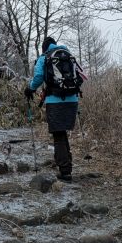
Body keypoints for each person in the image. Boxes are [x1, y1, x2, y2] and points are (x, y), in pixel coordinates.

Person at [24, 36, 80, 182]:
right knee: (62, 133)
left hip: (55, 101)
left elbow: (38, 77)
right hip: (72, 100)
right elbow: (79, 76)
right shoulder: (68, 55)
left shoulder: (45, 57)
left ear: (44, 48)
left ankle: (65, 172)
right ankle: (67, 165)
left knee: (58, 135)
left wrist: (29, 89)